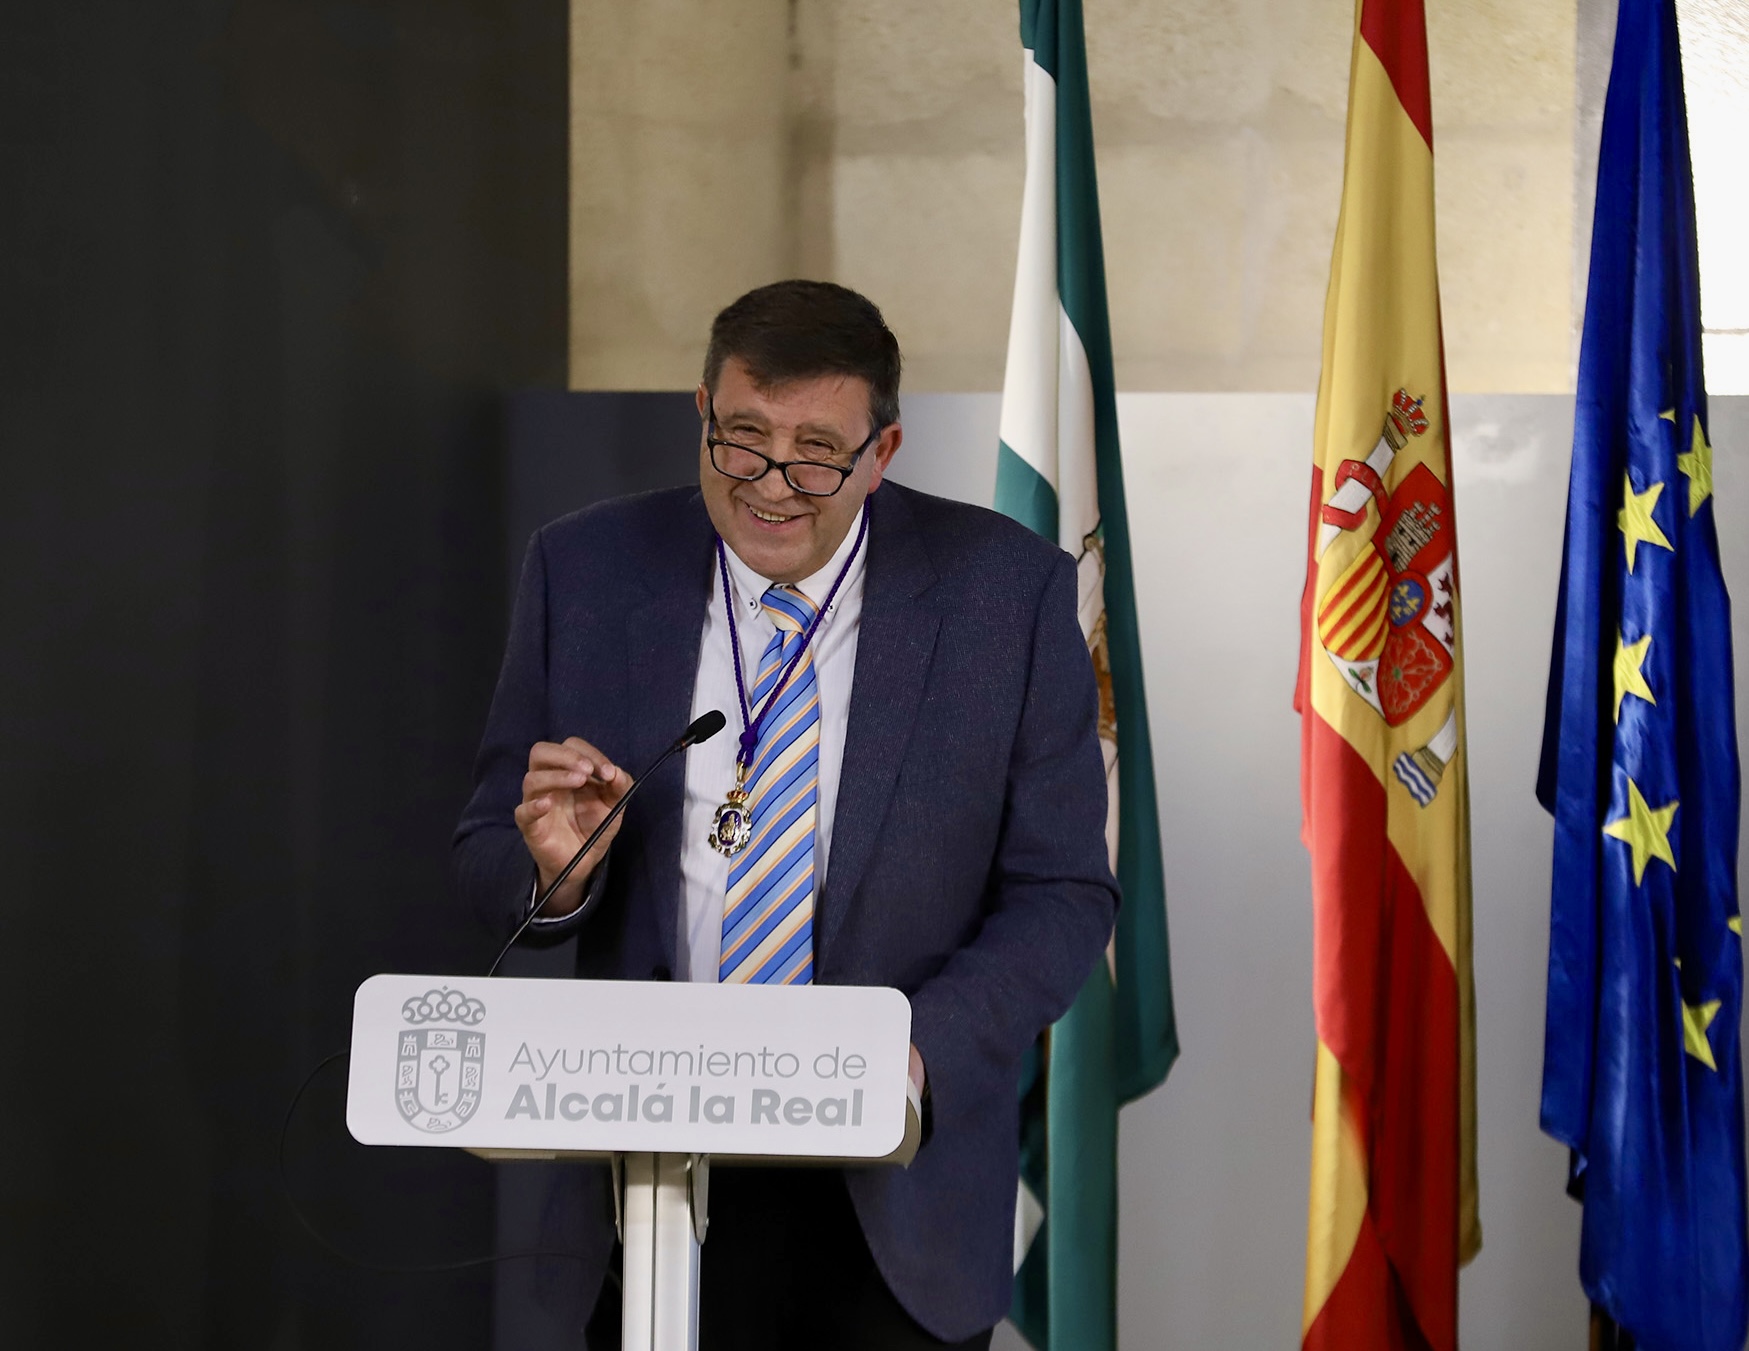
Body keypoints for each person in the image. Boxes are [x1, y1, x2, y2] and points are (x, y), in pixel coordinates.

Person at [454, 280, 1117, 1349]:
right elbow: (491, 851)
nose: (770, 484)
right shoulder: (585, 569)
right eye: (743, 439)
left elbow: (1064, 895)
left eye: (816, 453)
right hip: (645, 1173)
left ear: (882, 450)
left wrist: (911, 1050)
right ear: (702, 412)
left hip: (896, 1188)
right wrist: (556, 873)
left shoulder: (1008, 595)